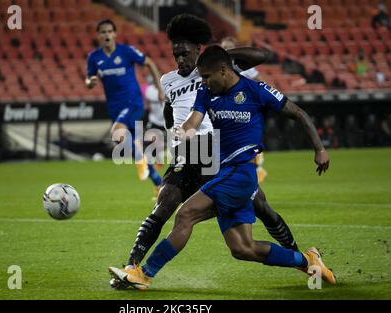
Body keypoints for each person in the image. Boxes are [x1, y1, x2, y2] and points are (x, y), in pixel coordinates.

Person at [109, 45, 336, 290]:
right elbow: (192, 123)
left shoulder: (256, 90)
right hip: (226, 171)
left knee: (186, 214)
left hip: (241, 173)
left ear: (224, 70)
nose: (203, 82)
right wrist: (179, 133)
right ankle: (307, 260)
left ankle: (144, 274)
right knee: (242, 248)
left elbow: (299, 113)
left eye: (207, 77)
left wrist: (319, 149)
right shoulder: (206, 93)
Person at [86, 19, 163, 197]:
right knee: (130, 144)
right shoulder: (94, 57)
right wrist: (90, 82)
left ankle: (140, 160)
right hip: (114, 107)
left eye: (109, 31)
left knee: (117, 132)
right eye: (102, 32)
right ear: (98, 35)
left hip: (133, 102)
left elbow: (149, 62)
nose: (106, 35)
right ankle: (159, 184)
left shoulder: (126, 51)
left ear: (114, 34)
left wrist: (160, 89)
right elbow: (89, 79)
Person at [220, 36, 268, 182]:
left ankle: (256, 167)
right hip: (225, 109)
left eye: (229, 47)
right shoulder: (216, 67)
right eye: (224, 47)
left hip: (243, 109)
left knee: (245, 140)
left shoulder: (244, 67)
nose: (227, 50)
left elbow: (261, 82)